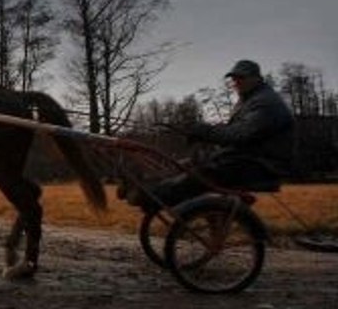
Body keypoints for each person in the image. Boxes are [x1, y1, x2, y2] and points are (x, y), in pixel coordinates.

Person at [125, 59, 295, 211]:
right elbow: (235, 133)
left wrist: (206, 132)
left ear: (256, 78)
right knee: (188, 164)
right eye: (234, 79)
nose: (236, 82)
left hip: (262, 165)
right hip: (247, 158)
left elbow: (239, 135)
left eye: (241, 78)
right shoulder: (250, 99)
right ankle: (147, 185)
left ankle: (152, 197)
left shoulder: (265, 103)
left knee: (202, 173)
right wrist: (201, 133)